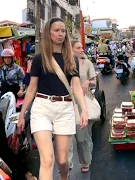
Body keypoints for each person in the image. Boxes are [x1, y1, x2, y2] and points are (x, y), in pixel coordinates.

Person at [17, 17, 88, 180]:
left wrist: (84, 109)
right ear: (49, 33)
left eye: (63, 31)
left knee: (63, 161)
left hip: (65, 109)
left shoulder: (72, 58)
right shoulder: (39, 59)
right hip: (42, 108)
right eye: (56, 30)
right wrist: (22, 114)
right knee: (47, 159)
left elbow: (76, 86)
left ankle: (64, 177)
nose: (60, 34)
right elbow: (31, 88)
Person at [70, 40, 96, 173]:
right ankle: (67, 164)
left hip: (83, 102)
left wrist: (87, 82)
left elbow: (94, 81)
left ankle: (86, 160)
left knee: (82, 137)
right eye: (78, 48)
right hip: (67, 103)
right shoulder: (65, 64)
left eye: (82, 47)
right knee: (67, 136)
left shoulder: (87, 63)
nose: (82, 50)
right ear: (71, 49)